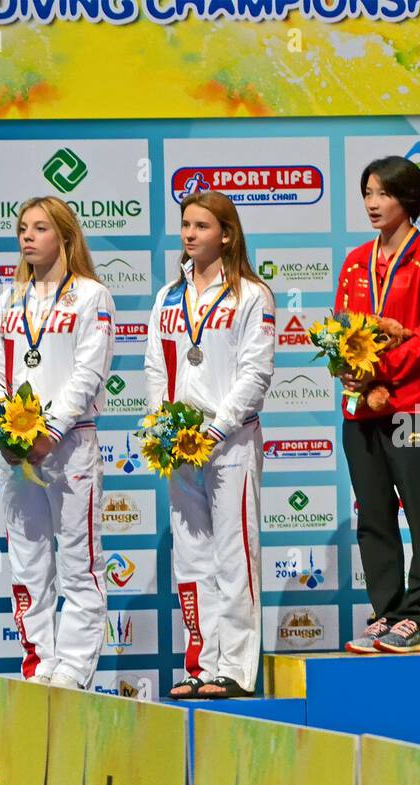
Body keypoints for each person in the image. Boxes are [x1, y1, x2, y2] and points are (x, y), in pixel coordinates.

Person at [0, 196, 116, 690]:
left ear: (64, 235)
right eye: (21, 228)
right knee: (29, 562)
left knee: (80, 562)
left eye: (39, 228)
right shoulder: (8, 299)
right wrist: (7, 428)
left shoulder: (91, 296)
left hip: (69, 444)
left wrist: (48, 431)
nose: (27, 237)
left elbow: (88, 373)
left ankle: (74, 672)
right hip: (14, 449)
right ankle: (39, 665)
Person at [144, 191, 275, 699]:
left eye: (201, 225)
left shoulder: (251, 295)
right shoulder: (167, 298)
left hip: (231, 443)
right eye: (185, 224)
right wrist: (165, 426)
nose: (189, 233)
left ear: (227, 234)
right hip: (180, 444)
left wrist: (215, 429)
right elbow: (156, 366)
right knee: (192, 559)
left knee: (234, 556)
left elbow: (255, 373)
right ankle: (200, 664)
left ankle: (236, 671)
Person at [336, 156, 420, 653]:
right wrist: (345, 363)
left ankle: (419, 619)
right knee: (374, 514)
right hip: (360, 409)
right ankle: (386, 612)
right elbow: (340, 328)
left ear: (408, 199)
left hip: (413, 407)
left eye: (382, 193)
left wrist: (377, 369)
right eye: (367, 192)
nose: (371, 203)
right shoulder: (356, 260)